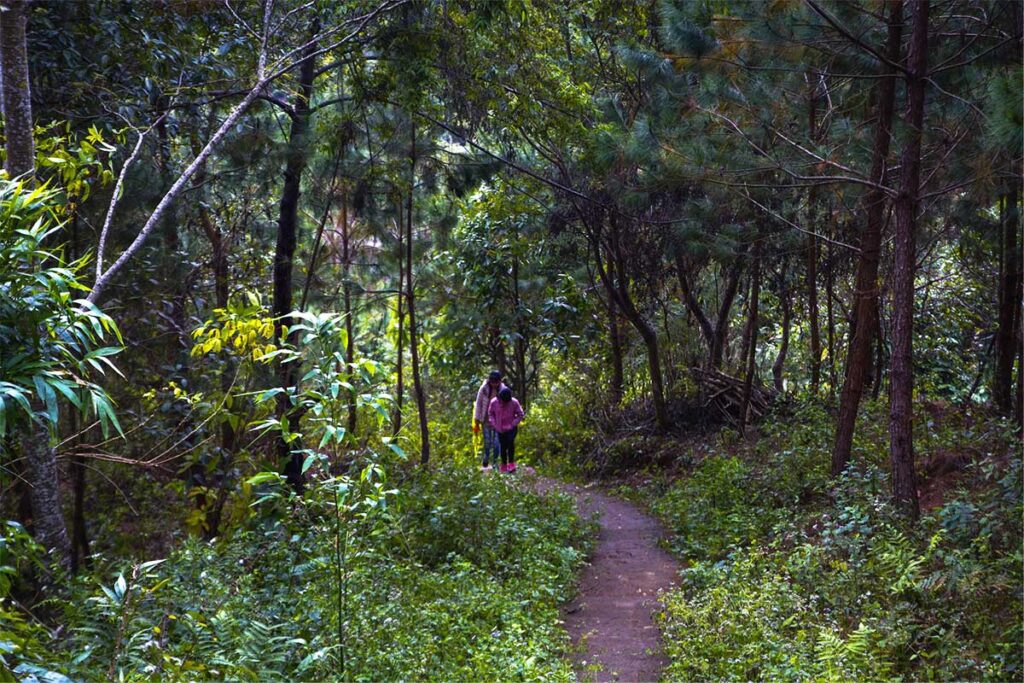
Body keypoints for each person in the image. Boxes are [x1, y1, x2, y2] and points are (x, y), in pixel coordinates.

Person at [473, 371, 506, 469]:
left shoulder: (503, 390)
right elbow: (479, 404)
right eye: (492, 382)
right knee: (487, 442)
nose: (494, 384)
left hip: (498, 421)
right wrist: (477, 419)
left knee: (496, 443)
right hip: (486, 419)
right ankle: (486, 458)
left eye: (496, 382)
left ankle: (495, 462)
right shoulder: (483, 389)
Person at [487, 387, 524, 473]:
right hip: (500, 429)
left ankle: (511, 463)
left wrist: (513, 423)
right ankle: (504, 464)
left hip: (511, 428)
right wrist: (494, 424)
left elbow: (520, 414)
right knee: (503, 446)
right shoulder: (494, 402)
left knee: (510, 443)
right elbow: (490, 414)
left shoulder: (514, 402)